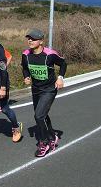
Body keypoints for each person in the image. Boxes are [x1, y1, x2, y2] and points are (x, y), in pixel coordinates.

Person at [21, 29, 67, 157]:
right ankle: (52, 136)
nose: (30, 40)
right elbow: (24, 67)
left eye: (33, 39)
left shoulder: (50, 54)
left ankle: (45, 142)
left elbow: (63, 63)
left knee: (39, 116)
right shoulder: (25, 55)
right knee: (42, 115)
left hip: (49, 89)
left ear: (41, 41)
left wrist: (60, 78)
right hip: (36, 89)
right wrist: (26, 76)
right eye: (28, 38)